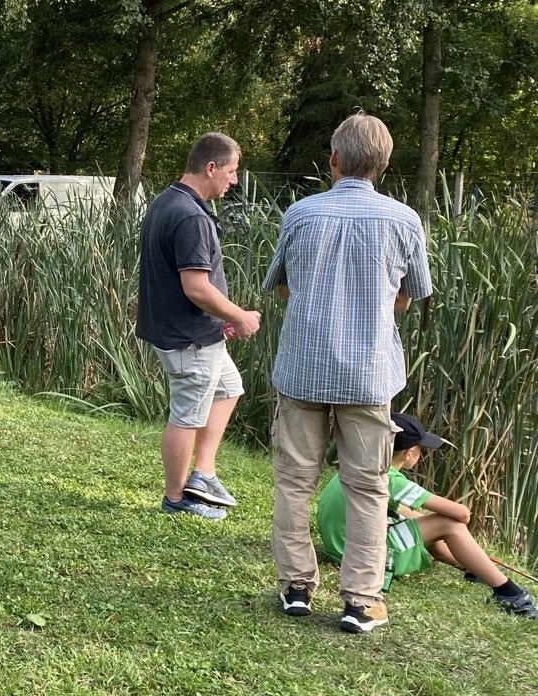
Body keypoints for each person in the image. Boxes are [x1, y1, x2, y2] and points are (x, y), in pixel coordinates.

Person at [263, 114, 431, 632]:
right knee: (368, 486)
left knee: (295, 481)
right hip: (368, 374)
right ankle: (361, 600)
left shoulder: (300, 214)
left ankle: (295, 587)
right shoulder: (404, 220)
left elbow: (281, 285)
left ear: (334, 159)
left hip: (304, 369)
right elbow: (409, 298)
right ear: (384, 165)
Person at [136, 132, 261, 520]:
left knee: (229, 387)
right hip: (188, 339)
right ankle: (177, 499)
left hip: (193, 332)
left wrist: (220, 322)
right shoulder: (191, 216)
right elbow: (195, 287)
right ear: (210, 168)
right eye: (232, 171)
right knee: (187, 416)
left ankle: (202, 474)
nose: (234, 180)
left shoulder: (167, 201)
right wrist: (238, 316)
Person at [315, 411, 538, 618]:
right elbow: (461, 514)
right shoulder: (389, 479)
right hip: (365, 559)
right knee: (448, 524)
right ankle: (509, 593)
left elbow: (406, 514)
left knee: (424, 522)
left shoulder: (359, 466)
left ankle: (472, 567)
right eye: (421, 450)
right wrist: (435, 521)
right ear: (410, 453)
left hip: (341, 549)